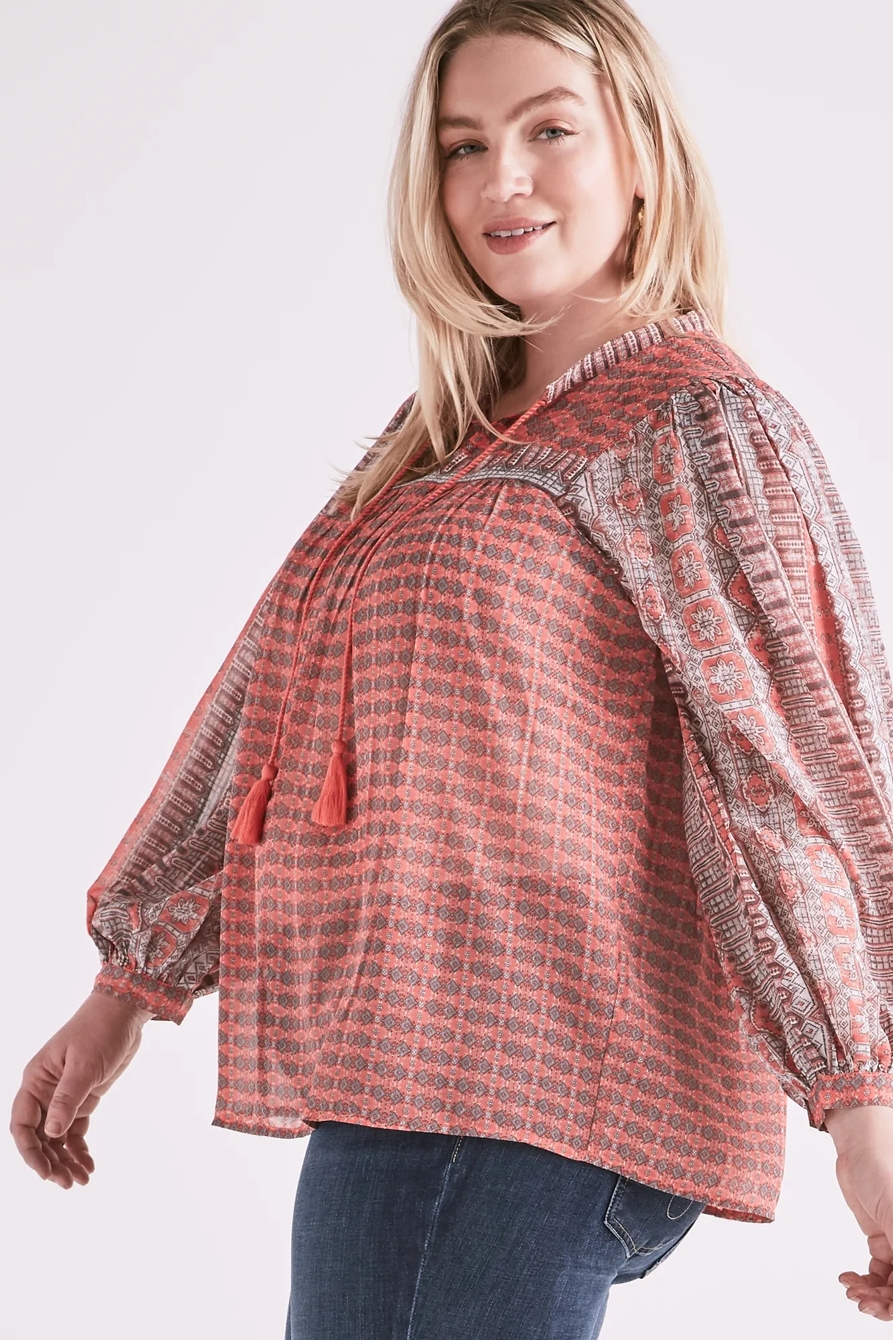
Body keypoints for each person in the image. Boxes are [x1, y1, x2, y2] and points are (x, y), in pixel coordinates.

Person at [10, 0, 893, 1333]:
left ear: (642, 153)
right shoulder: (441, 440)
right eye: (462, 146)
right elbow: (266, 715)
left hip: (529, 1087)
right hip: (409, 1072)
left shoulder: (691, 422)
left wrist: (862, 1101)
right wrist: (129, 985)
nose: (501, 181)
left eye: (550, 131)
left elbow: (781, 770)